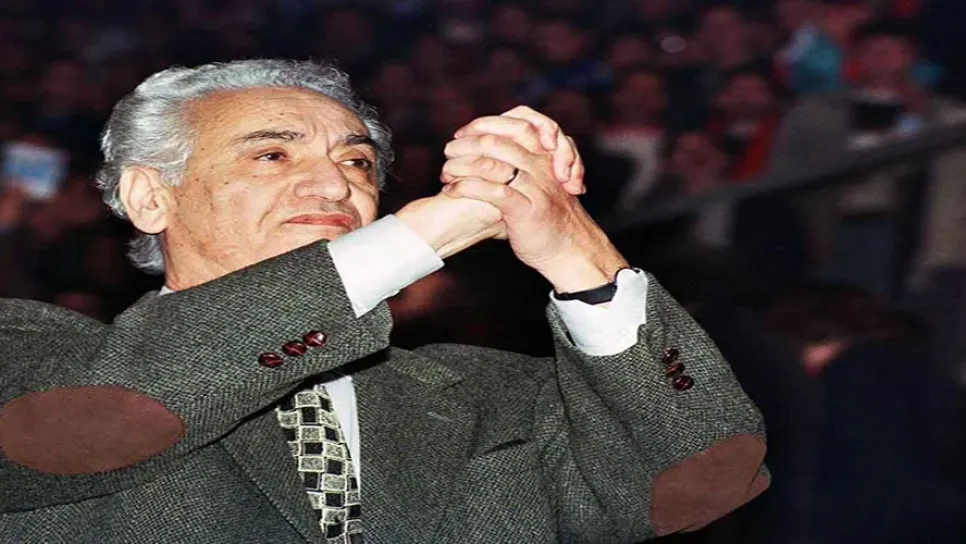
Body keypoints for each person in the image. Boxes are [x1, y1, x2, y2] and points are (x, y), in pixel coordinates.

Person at [0, 59, 767, 544]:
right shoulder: (31, 356)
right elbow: (102, 419)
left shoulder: (485, 396)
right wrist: (439, 225)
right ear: (149, 196)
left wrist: (577, 253)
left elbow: (701, 481)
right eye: (274, 153)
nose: (335, 183)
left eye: (358, 162)